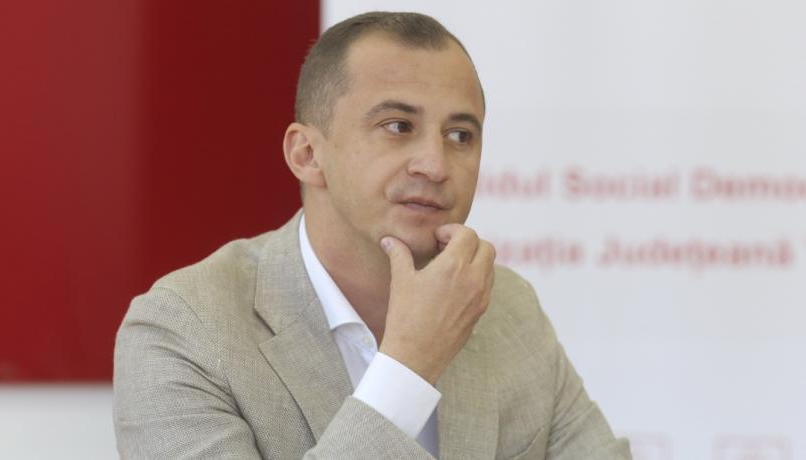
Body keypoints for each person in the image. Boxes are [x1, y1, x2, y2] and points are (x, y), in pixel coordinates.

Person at [113, 11, 632, 460]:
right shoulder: (183, 331)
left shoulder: (509, 308)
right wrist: (410, 364)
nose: (435, 165)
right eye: (398, 126)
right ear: (307, 155)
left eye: (460, 135)